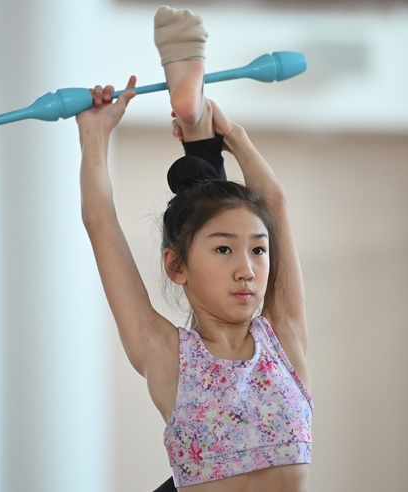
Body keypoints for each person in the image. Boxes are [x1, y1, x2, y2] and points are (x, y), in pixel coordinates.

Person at [76, 7, 313, 491]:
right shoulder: (164, 352)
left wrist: (237, 138)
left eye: (258, 251)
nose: (248, 270)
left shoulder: (283, 338)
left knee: (232, 210)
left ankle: (198, 125)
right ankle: (198, 124)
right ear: (176, 266)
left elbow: (274, 204)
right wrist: (95, 137)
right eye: (224, 251)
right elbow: (100, 223)